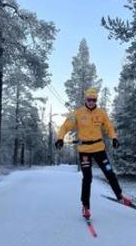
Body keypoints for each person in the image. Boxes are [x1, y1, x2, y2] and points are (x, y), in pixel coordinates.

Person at [55, 87, 131, 219]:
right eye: (89, 99)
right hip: (84, 151)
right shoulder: (78, 113)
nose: (91, 102)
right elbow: (65, 126)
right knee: (87, 178)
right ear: (85, 99)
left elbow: (108, 125)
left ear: (96, 100)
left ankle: (119, 195)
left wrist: (114, 137)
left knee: (109, 172)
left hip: (99, 149)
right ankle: (85, 206)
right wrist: (60, 138)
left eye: (94, 100)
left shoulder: (101, 113)